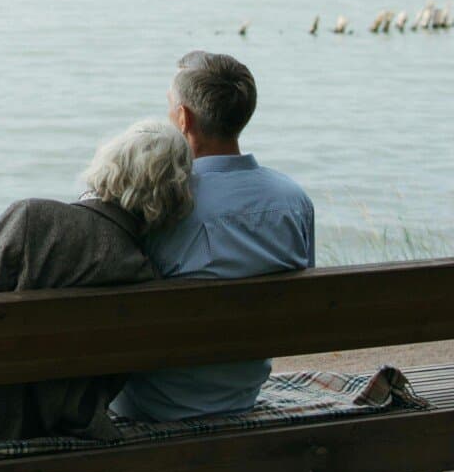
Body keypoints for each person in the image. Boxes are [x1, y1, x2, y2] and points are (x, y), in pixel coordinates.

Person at [0, 119, 193, 440]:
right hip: (64, 425)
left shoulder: (34, 220)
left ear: (110, 163)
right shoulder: (145, 276)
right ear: (173, 194)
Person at [109, 50, 316, 422]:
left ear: (183, 119)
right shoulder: (293, 201)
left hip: (151, 404)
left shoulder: (159, 203)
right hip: (241, 393)